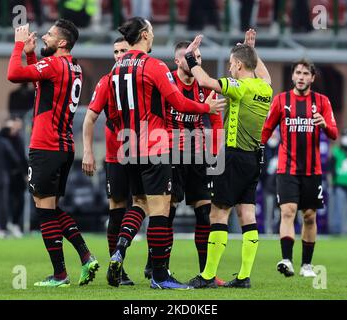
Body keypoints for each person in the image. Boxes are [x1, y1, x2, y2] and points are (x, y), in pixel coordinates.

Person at [104, 17, 224, 290]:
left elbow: (111, 113)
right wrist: (207, 109)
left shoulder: (115, 69)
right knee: (160, 210)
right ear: (145, 35)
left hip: (128, 146)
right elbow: (178, 101)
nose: (154, 35)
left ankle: (120, 249)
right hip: (155, 146)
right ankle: (160, 276)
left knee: (139, 204)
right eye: (153, 31)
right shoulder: (154, 65)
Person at [7, 20, 99, 288]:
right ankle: (86, 256)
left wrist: (18, 46)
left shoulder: (55, 65)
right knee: (52, 208)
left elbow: (14, 74)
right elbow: (43, 87)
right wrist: (31, 54)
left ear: (62, 43)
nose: (43, 37)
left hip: (46, 146)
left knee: (44, 213)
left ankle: (60, 275)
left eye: (49, 35)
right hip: (64, 147)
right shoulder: (74, 67)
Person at [186, 29, 272, 289]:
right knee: (247, 213)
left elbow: (204, 81)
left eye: (231, 63)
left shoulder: (240, 87)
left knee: (219, 212)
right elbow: (263, 73)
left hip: (232, 156)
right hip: (254, 157)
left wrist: (190, 58)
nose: (229, 68)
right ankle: (244, 276)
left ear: (237, 65)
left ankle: (208, 275)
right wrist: (251, 49)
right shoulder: (264, 87)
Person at [141, 41, 224, 285]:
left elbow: (216, 121)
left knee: (204, 213)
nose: (195, 61)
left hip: (197, 156)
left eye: (197, 57)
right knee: (166, 214)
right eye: (190, 58)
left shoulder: (205, 85)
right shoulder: (166, 84)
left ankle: (206, 273)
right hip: (171, 154)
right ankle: (158, 267)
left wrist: (215, 151)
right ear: (178, 61)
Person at [261, 59, 338, 278]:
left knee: (309, 216)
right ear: (293, 76)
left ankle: (306, 265)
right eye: (298, 73)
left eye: (306, 73)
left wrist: (324, 124)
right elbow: (266, 130)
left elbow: (334, 133)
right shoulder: (281, 100)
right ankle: (286, 259)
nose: (302, 77)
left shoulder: (322, 102)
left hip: (312, 170)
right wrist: (255, 151)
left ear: (312, 78)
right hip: (287, 168)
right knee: (287, 211)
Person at [82, 37, 134, 286]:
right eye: (115, 51)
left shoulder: (143, 78)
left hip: (145, 155)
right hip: (115, 157)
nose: (119, 55)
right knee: (117, 211)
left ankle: (155, 267)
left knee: (150, 208)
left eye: (124, 50)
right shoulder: (106, 82)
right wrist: (88, 152)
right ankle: (118, 267)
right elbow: (90, 119)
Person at [0, 117, 29, 238]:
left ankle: (15, 224)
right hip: (5, 174)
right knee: (5, 201)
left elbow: (22, 157)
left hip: (17, 174)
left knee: (20, 201)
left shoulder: (19, 139)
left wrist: (26, 173)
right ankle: (3, 226)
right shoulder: (2, 138)